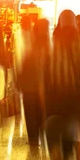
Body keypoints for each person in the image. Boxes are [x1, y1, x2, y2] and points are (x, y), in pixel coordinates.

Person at [44, 10, 80, 160]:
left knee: (51, 125)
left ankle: (55, 155)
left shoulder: (54, 42)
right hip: (73, 95)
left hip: (54, 94)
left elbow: (47, 69)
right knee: (71, 128)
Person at [19, 18, 50, 148]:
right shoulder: (49, 46)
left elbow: (25, 66)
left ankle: (33, 138)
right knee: (41, 112)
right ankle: (42, 132)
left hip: (30, 88)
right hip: (45, 89)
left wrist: (19, 82)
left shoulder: (32, 46)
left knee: (31, 112)